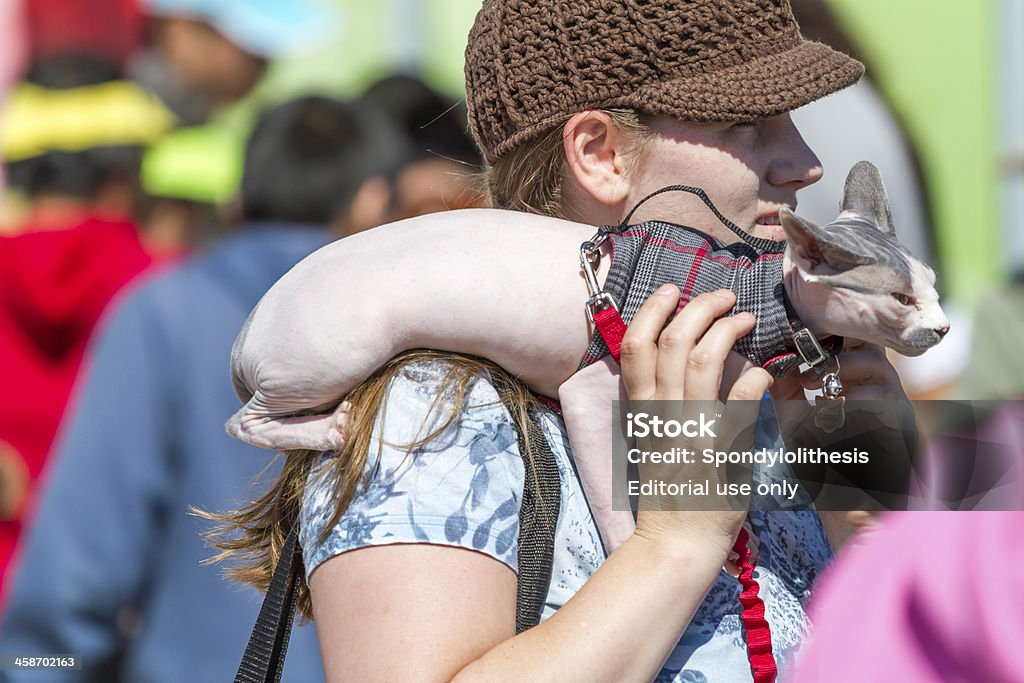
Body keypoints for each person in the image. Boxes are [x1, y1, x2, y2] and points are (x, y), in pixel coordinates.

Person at [214, 1, 913, 680]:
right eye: (749, 124)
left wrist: (868, 531)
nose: (805, 162)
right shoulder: (437, 412)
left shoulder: (767, 383)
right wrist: (675, 541)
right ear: (600, 154)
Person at [0, 96, 408, 682]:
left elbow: (75, 578)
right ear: (371, 197)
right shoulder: (411, 336)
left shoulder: (162, 313)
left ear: (236, 199)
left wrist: (35, 665)